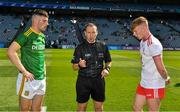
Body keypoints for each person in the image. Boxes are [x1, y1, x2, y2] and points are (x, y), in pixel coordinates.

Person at [7, 9, 49, 111]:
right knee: (25, 109)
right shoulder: (26, 35)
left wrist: (43, 70)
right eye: (44, 21)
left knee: (37, 109)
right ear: (35, 20)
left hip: (41, 79)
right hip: (28, 80)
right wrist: (24, 71)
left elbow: (40, 55)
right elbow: (11, 52)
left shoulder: (42, 36)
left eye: (47, 21)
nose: (47, 24)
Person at [131, 16, 170, 111]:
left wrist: (166, 77)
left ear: (143, 27)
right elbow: (143, 58)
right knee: (136, 107)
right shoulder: (142, 42)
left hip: (154, 84)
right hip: (144, 82)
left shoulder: (154, 44)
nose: (134, 34)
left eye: (135, 31)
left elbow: (160, 68)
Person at [71, 23, 112, 111]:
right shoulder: (79, 48)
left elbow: (108, 61)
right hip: (83, 81)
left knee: (99, 108)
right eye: (89, 32)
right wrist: (79, 65)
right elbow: (74, 67)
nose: (91, 35)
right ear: (85, 33)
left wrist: (107, 69)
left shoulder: (103, 46)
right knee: (82, 108)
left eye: (93, 32)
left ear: (97, 33)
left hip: (99, 80)